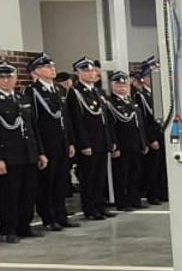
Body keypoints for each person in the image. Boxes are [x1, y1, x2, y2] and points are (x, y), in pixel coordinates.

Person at [0, 60, 42, 240]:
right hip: (8, 156)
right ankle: (9, 229)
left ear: (16, 79)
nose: (6, 80)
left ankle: (24, 226)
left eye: (9, 77)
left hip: (28, 153)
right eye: (2, 77)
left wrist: (40, 152)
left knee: (28, 193)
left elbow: (32, 127)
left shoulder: (22, 99)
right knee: (9, 195)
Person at [24, 55, 74, 231]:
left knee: (61, 180)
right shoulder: (32, 91)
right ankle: (48, 216)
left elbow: (66, 118)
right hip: (46, 143)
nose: (52, 69)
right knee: (47, 182)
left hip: (62, 142)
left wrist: (70, 142)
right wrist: (40, 150)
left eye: (53, 66)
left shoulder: (59, 90)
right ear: (36, 71)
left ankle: (61, 214)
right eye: (47, 67)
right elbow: (33, 122)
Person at [69, 57, 114, 218]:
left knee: (100, 176)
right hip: (89, 142)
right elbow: (77, 121)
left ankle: (100, 205)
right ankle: (89, 208)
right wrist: (84, 143)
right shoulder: (75, 93)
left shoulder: (98, 92)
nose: (91, 73)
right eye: (86, 71)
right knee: (89, 177)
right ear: (78, 73)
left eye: (93, 70)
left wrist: (110, 140)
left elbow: (106, 120)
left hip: (101, 140)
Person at [106, 70, 145, 210]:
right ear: (112, 86)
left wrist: (143, 142)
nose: (122, 87)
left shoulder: (131, 101)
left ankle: (134, 199)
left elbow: (139, 124)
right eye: (119, 84)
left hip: (135, 143)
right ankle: (123, 202)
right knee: (122, 175)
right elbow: (110, 126)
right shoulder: (110, 103)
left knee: (135, 173)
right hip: (122, 144)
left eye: (124, 84)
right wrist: (114, 145)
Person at [134, 58, 167, 205]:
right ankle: (152, 194)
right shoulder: (141, 96)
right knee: (152, 168)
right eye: (152, 77)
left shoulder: (158, 94)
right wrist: (151, 138)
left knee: (162, 166)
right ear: (145, 79)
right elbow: (144, 121)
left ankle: (162, 192)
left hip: (162, 133)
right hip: (153, 136)